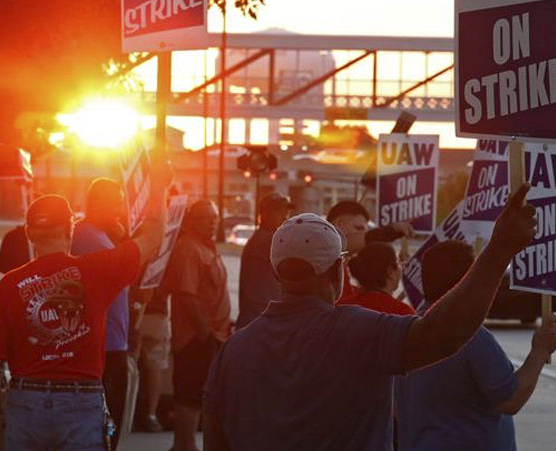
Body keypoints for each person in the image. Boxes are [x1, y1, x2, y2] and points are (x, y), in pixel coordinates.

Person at [203, 184, 538, 451]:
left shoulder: (233, 352)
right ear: (337, 270)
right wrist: (499, 251)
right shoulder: (357, 332)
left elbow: (215, 440)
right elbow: (443, 334)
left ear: (278, 274)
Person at [0, 193, 164, 451]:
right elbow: (154, 236)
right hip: (81, 404)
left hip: (26, 405)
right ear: (70, 229)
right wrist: (158, 183)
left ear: (29, 234)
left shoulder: (9, 287)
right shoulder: (97, 270)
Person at [398, 240, 556, 451]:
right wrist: (539, 352)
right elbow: (510, 400)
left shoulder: (409, 330)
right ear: (469, 280)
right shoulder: (468, 336)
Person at [162, 199, 231, 451]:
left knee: (200, 396)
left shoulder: (207, 247)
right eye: (205, 217)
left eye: (214, 217)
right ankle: (185, 447)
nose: (212, 222)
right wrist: (204, 334)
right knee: (189, 397)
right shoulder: (188, 248)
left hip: (215, 335)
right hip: (195, 338)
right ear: (191, 220)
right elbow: (185, 295)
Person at [70, 178, 131, 449]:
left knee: (111, 419)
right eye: (116, 203)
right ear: (100, 204)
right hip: (104, 345)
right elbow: (129, 266)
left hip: (113, 339)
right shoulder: (88, 237)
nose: (120, 209)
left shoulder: (99, 235)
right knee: (108, 422)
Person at [326, 200, 413, 297]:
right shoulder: (323, 250)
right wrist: (390, 232)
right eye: (358, 228)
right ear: (339, 224)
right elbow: (346, 242)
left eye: (365, 231)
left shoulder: (344, 275)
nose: (362, 235)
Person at [237, 193, 294, 328]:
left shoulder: (264, 238)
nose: (285, 216)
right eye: (279, 211)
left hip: (260, 319)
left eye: (286, 212)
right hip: (258, 320)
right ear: (265, 214)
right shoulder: (267, 240)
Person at [337, 242, 414, 316]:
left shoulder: (343, 307)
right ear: (390, 271)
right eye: (399, 263)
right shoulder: (404, 313)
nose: (401, 267)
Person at [135, 287, 171, 433]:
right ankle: (151, 415)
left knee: (131, 362)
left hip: (132, 310)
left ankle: (129, 412)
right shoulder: (163, 264)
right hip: (156, 313)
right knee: (155, 365)